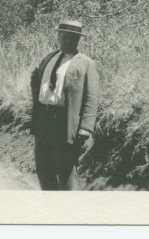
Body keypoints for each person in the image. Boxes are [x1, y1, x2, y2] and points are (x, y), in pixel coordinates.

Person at [30, 19, 100, 190]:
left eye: (73, 38)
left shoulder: (86, 63)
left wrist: (86, 127)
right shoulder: (49, 58)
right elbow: (38, 84)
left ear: (79, 39)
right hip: (43, 120)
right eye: (65, 37)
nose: (68, 41)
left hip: (65, 122)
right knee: (44, 170)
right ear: (58, 37)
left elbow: (92, 97)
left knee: (66, 172)